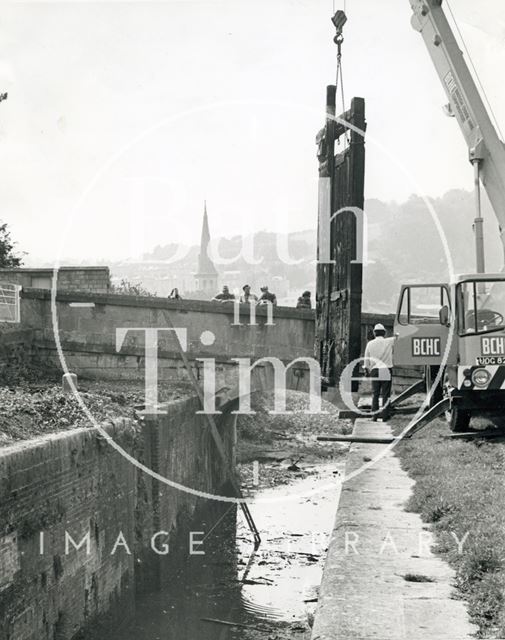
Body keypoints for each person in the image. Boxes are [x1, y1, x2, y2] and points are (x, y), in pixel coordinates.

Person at [363, 323, 395, 421]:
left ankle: (374, 416)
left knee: (375, 394)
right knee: (386, 394)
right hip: (386, 369)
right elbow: (399, 335)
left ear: (374, 333)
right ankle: (385, 416)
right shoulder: (389, 341)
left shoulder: (370, 344)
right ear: (384, 333)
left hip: (375, 370)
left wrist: (367, 370)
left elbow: (366, 360)